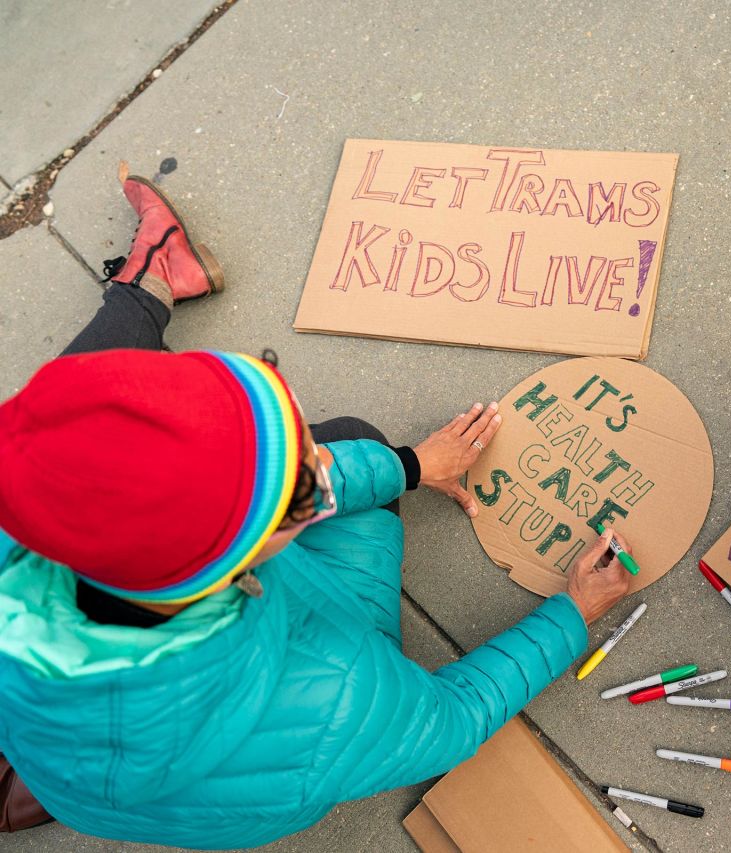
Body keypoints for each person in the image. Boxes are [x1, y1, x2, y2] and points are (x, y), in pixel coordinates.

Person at [0, 165, 632, 846]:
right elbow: (453, 719)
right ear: (243, 559)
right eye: (299, 485)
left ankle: (155, 274)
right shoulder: (337, 696)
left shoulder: (32, 520)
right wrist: (573, 612)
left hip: (84, 741)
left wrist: (412, 465)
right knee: (360, 440)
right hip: (280, 726)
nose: (319, 460)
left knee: (88, 434)